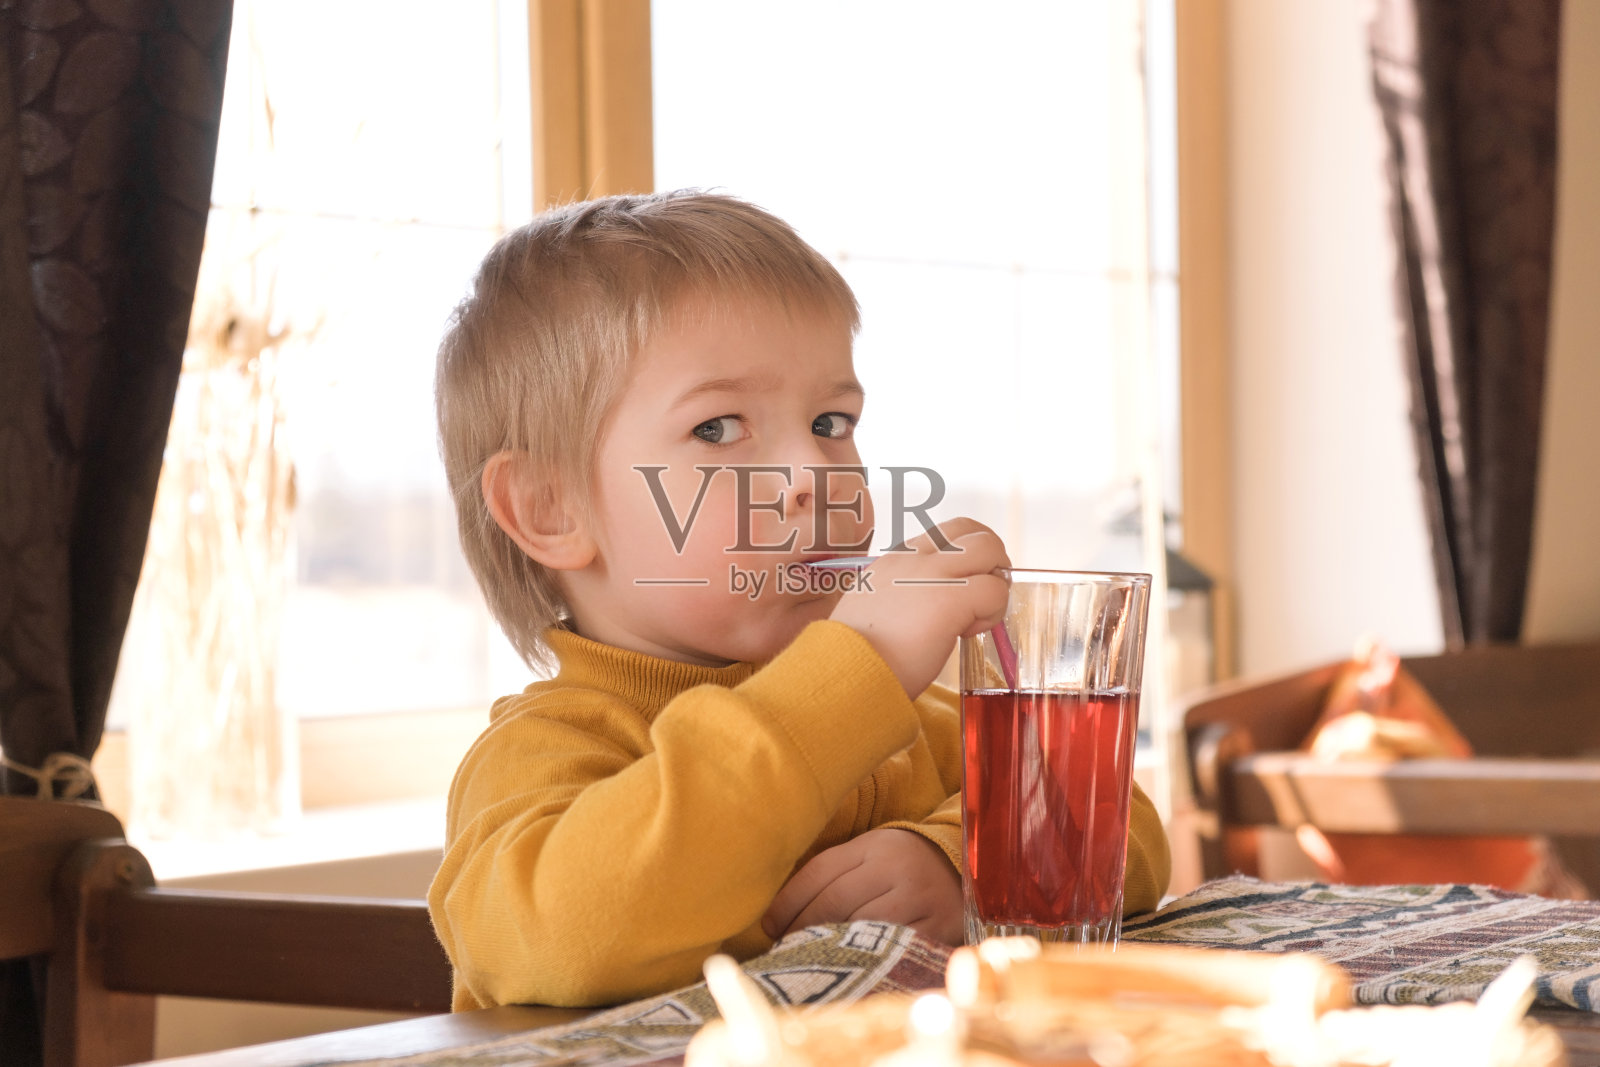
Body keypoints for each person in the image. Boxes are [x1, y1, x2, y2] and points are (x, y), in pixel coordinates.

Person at [427, 190, 1171, 1011]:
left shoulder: (907, 720)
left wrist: (957, 857)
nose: (817, 474)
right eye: (717, 428)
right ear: (550, 507)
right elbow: (566, 934)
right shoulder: (547, 750)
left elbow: (1118, 822)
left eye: (830, 419)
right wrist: (857, 673)